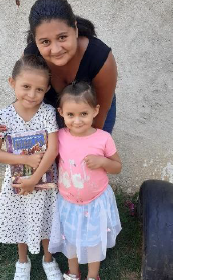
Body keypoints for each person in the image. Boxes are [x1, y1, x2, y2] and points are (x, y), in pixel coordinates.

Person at [0, 0, 118, 139]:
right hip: (50, 113)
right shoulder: (31, 57)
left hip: (91, 112)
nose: (56, 50)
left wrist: (85, 147)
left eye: (62, 37)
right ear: (35, 40)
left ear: (75, 29)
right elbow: (25, 103)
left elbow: (97, 124)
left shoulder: (100, 58)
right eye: (45, 42)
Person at [0, 55, 62, 280]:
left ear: (47, 89)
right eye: (26, 87)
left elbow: (53, 150)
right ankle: (22, 261)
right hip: (17, 184)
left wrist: (35, 177)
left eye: (39, 89)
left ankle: (49, 259)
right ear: (12, 83)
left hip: (45, 181)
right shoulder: (3, 116)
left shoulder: (48, 112)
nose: (32, 94)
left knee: (47, 220)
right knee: (20, 219)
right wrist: (26, 162)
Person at [49, 82, 123, 280]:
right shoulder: (60, 136)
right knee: (70, 239)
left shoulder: (103, 138)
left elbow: (117, 167)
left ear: (95, 111)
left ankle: (92, 275)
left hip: (96, 202)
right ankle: (73, 273)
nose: (77, 121)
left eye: (83, 114)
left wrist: (103, 161)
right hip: (68, 202)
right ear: (61, 112)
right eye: (71, 115)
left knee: (93, 241)